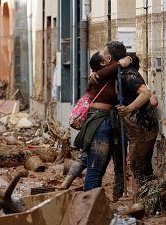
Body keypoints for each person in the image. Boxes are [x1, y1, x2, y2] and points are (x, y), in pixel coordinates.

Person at [90, 41, 159, 200]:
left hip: (142, 129)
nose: (103, 59)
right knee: (144, 168)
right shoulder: (117, 72)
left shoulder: (127, 75)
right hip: (134, 130)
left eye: (104, 55)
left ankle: (140, 203)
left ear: (109, 58)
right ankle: (148, 201)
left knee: (137, 168)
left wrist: (129, 108)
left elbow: (146, 93)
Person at [61, 51, 125, 203]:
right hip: (99, 123)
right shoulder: (100, 75)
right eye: (105, 55)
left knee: (96, 165)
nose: (108, 55)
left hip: (103, 122)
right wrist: (127, 58)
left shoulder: (104, 75)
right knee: (95, 168)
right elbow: (120, 64)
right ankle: (88, 205)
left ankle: (89, 202)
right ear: (103, 63)